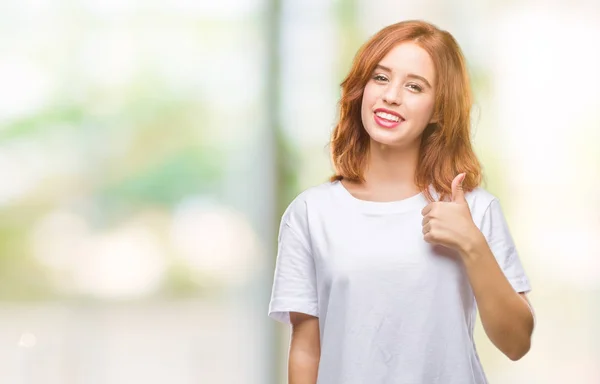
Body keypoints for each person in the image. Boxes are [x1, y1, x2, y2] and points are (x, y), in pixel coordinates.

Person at [268, 20, 535, 384]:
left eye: (414, 86)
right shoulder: (311, 214)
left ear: (438, 109)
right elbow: (306, 347)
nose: (392, 95)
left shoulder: (476, 210)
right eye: (380, 78)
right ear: (361, 89)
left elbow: (517, 343)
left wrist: (472, 244)